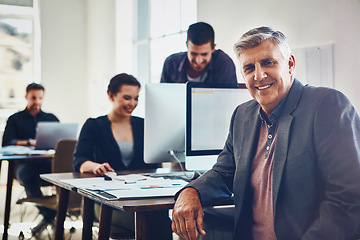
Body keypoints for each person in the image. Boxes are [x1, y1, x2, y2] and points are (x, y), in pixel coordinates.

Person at [171, 26, 360, 240]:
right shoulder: (242, 116)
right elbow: (224, 174)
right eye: (249, 68)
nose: (258, 75)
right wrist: (190, 191)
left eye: (268, 62)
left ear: (290, 64)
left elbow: (348, 199)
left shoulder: (327, 105)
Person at [73, 73, 172, 239]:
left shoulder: (143, 125)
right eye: (127, 98)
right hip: (108, 202)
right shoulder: (94, 125)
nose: (132, 104)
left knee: (159, 217)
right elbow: (79, 161)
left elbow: (155, 163)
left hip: (141, 197)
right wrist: (96, 166)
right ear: (111, 95)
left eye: (136, 98)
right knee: (155, 221)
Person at [2, 83, 59, 232]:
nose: (37, 101)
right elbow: (7, 142)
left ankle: (52, 215)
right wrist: (28, 142)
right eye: (33, 98)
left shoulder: (50, 118)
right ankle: (50, 216)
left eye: (40, 98)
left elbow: (60, 140)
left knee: (66, 172)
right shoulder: (15, 119)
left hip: (47, 162)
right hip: (24, 166)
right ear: (26, 97)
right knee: (27, 175)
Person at [160, 22, 237, 85]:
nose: (198, 61)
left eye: (204, 54)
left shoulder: (224, 64)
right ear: (187, 46)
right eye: (193, 53)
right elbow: (162, 97)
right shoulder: (171, 63)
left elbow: (230, 100)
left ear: (213, 48)